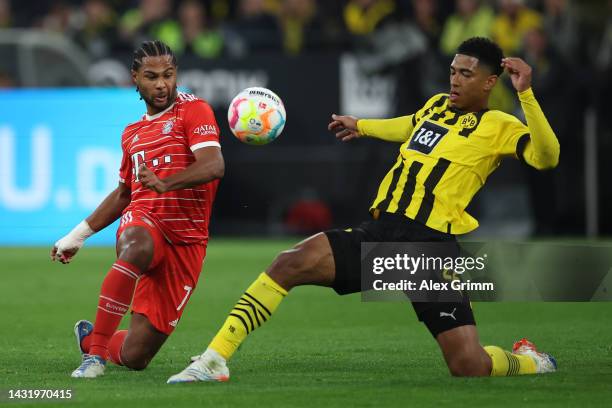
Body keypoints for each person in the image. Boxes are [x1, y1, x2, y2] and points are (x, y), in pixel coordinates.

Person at [168, 37, 559, 383]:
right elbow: (409, 125)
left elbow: (546, 158)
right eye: (453, 71)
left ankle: (530, 361)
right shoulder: (437, 106)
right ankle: (215, 358)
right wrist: (363, 125)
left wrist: (526, 95)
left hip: (430, 250)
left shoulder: (499, 125)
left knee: (468, 365)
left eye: (467, 74)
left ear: (491, 82)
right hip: (382, 235)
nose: (455, 80)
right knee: (289, 263)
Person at [51, 40, 224, 378]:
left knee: (135, 356)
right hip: (146, 220)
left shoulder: (194, 110)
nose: (162, 84)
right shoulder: (132, 134)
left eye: (169, 75)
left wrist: (166, 182)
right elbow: (125, 193)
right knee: (136, 244)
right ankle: (94, 358)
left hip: (187, 242)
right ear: (135, 78)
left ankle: (91, 340)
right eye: (152, 76)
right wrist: (77, 236)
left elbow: (214, 165)